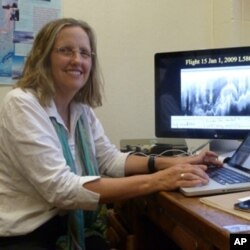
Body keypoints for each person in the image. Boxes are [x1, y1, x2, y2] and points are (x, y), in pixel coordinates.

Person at [0, 18, 222, 250]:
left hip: (70, 224)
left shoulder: (80, 109)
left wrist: (175, 162)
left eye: (85, 53)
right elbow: (62, 189)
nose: (77, 60)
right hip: (28, 234)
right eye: (66, 50)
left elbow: (109, 160)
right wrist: (158, 180)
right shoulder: (22, 103)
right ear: (44, 57)